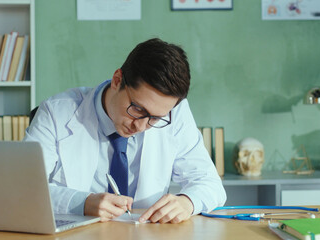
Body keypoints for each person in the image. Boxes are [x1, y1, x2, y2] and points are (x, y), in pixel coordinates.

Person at [24, 38, 226, 224]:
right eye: (138, 109)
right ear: (117, 80)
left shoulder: (174, 113)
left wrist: (188, 202)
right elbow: (24, 188)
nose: (140, 126)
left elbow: (210, 183)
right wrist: (82, 202)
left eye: (155, 118)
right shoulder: (56, 112)